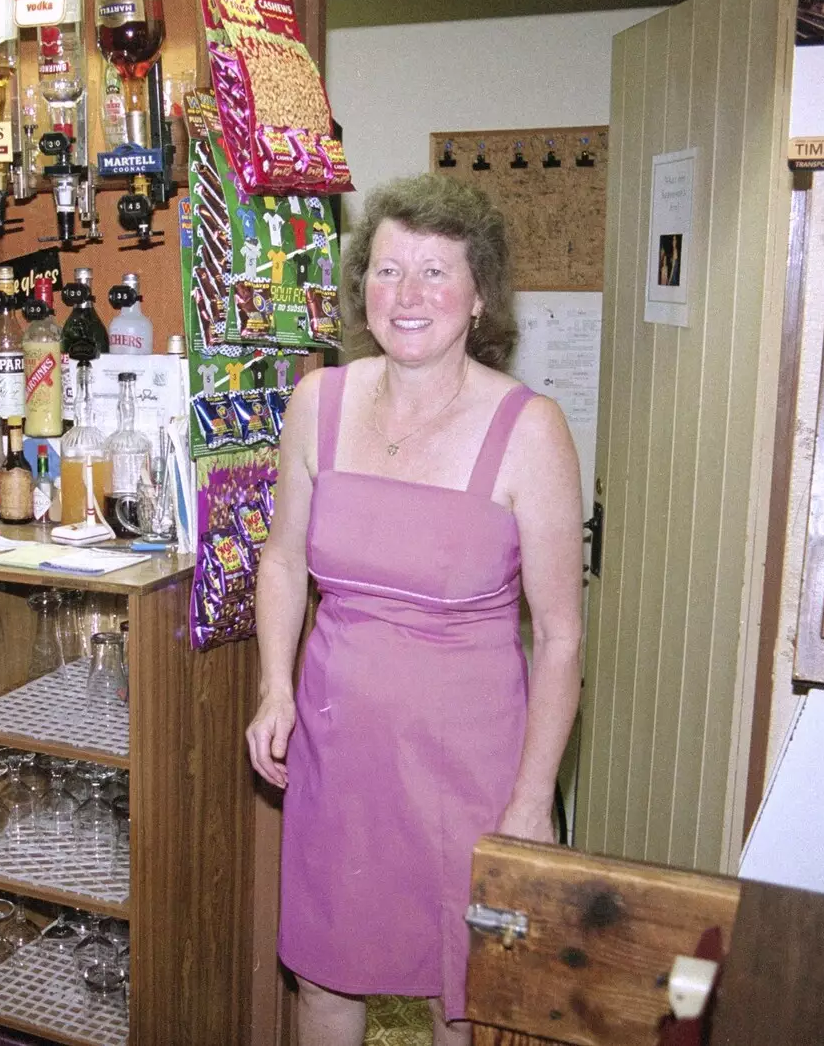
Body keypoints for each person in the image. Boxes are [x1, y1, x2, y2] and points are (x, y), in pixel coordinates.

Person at [245, 174, 584, 1046]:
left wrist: (533, 798)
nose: (409, 295)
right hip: (339, 749)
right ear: (361, 286)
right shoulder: (317, 403)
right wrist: (273, 689)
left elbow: (558, 637)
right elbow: (282, 558)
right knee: (325, 979)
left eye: (437, 272)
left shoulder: (531, 428)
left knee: (456, 998)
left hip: (468, 769)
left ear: (479, 299)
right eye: (389, 270)